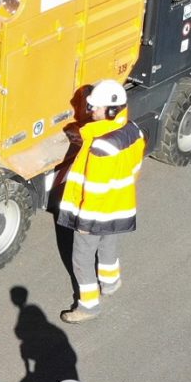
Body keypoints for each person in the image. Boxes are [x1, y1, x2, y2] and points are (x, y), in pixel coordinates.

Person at [56, 79, 145, 324]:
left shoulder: (101, 146)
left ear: (111, 110)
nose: (89, 111)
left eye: (95, 108)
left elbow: (94, 189)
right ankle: (111, 281)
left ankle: (89, 306)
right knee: (108, 245)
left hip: (96, 212)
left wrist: (84, 222)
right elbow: (135, 167)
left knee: (82, 258)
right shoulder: (133, 130)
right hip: (120, 203)